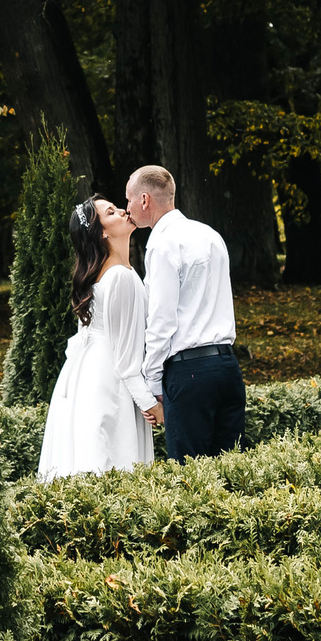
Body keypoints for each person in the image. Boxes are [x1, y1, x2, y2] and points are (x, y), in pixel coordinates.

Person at [125, 164, 245, 460]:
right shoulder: (210, 235)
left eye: (128, 199)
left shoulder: (163, 243)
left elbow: (161, 322)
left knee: (190, 481)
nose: (126, 207)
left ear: (144, 200)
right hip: (228, 367)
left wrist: (153, 383)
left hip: (189, 374)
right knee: (233, 474)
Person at [35, 196, 155, 481]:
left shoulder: (100, 277)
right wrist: (151, 405)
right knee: (111, 454)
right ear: (102, 232)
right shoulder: (121, 277)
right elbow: (126, 360)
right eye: (112, 212)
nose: (124, 210)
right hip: (108, 382)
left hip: (84, 377)